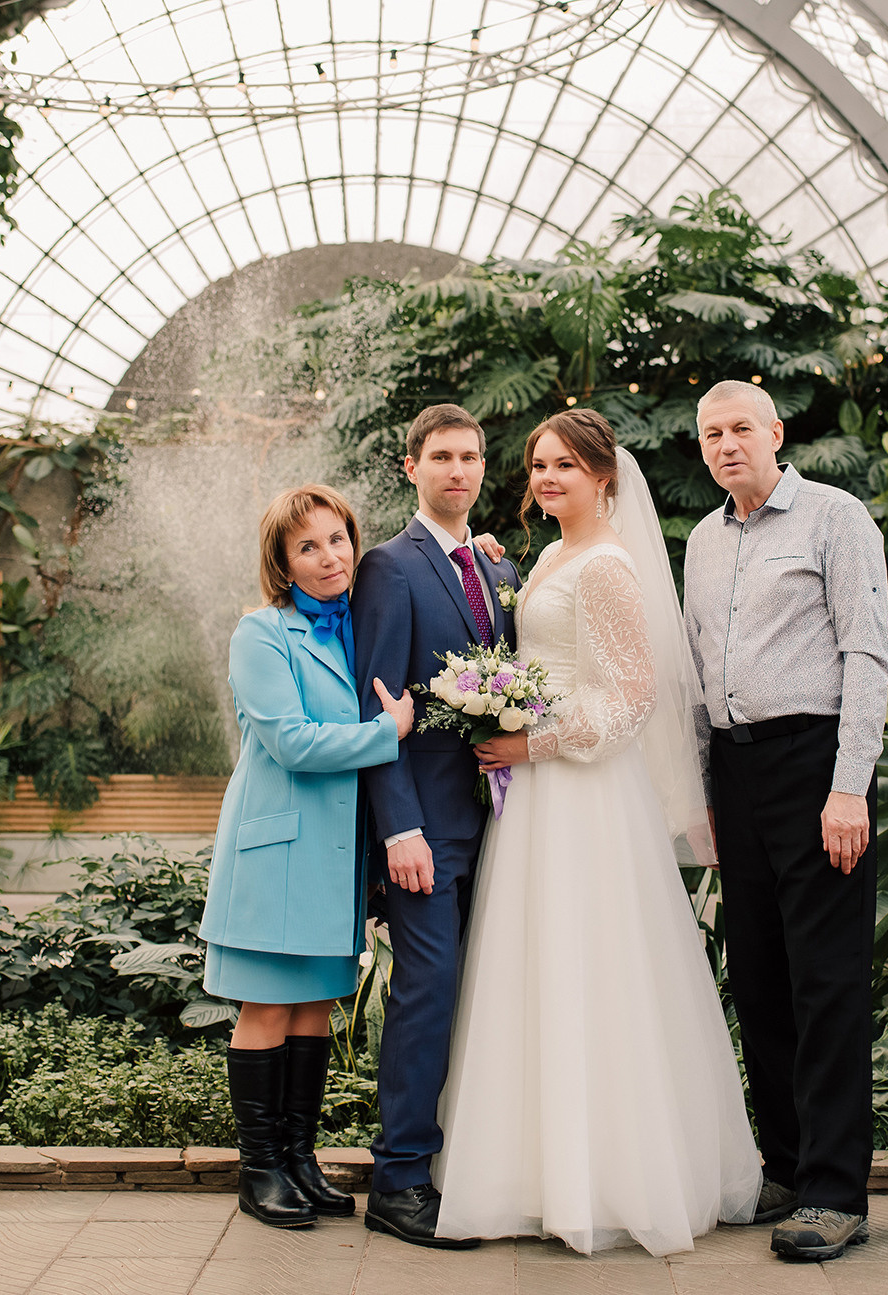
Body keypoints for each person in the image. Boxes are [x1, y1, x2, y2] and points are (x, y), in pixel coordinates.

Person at [433, 409, 761, 1257]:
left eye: (566, 466)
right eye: (540, 464)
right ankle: (539, 1174)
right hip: (538, 798)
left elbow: (631, 696)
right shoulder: (544, 556)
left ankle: (613, 1175)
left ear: (605, 477)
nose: (547, 478)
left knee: (594, 970)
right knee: (538, 972)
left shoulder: (611, 565)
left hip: (583, 794)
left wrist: (529, 741)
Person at [682, 380, 888, 1262]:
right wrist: (704, 796)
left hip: (816, 769)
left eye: (740, 428)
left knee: (826, 981)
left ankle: (837, 1191)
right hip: (735, 771)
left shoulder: (836, 519)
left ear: (776, 432)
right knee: (761, 976)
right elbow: (696, 672)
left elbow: (868, 651)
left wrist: (850, 786)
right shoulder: (699, 539)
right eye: (711, 433)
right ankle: (787, 1164)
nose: (726, 443)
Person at [198, 483, 416, 1230]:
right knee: (266, 1008)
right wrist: (387, 734)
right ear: (283, 564)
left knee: (316, 1007)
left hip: (333, 863)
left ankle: (299, 1158)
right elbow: (289, 741)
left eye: (338, 538)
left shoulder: (352, 628)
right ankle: (259, 1169)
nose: (330, 556)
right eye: (309, 546)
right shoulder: (260, 633)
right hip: (276, 855)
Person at [353, 405, 520, 1249]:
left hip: (500, 822)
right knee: (427, 993)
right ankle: (401, 1176)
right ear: (409, 466)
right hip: (428, 829)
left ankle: (469, 1164)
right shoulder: (388, 566)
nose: (459, 470)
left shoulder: (492, 567)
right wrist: (399, 830)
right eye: (442, 457)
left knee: (485, 998)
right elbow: (377, 708)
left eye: (471, 456)